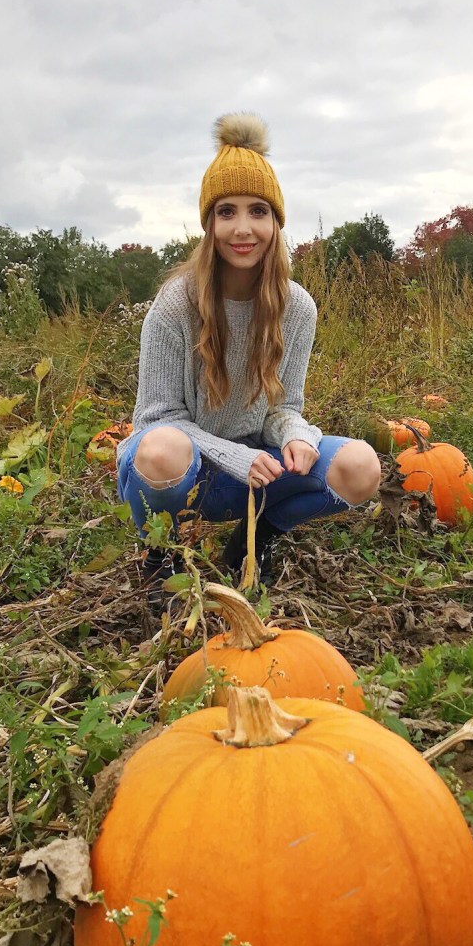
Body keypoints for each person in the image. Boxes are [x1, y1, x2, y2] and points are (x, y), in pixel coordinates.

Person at [116, 113, 382, 597]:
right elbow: (154, 421)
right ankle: (160, 553)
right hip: (185, 469)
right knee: (161, 450)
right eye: (226, 212)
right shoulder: (177, 302)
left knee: (360, 466)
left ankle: (255, 541)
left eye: (258, 211)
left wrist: (296, 436)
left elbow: (284, 408)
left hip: (255, 471)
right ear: (209, 224)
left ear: (276, 222)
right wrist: (234, 456)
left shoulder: (297, 307)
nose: (243, 229)